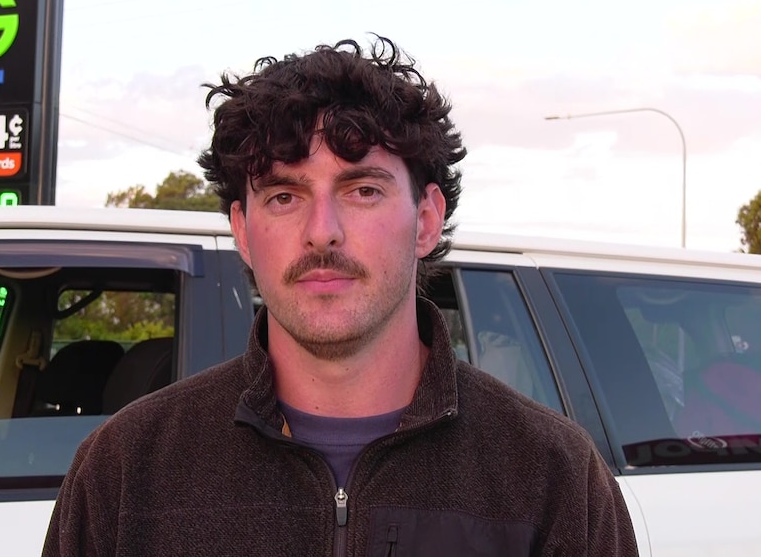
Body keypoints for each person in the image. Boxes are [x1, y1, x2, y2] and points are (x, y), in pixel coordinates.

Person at [42, 36, 639, 556]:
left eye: (362, 191)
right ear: (243, 231)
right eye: (284, 196)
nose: (322, 230)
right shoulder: (125, 474)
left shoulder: (554, 478)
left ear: (426, 220)